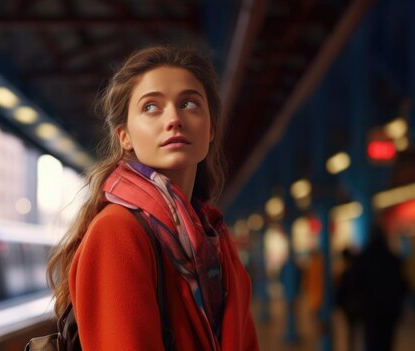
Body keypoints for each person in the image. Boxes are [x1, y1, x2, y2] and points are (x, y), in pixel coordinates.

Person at [47, 46, 259, 350]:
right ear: (125, 136)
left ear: (211, 128)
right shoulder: (117, 232)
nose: (174, 118)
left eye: (189, 103)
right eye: (151, 107)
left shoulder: (215, 237)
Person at [350, 224, 406, 351]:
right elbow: (402, 284)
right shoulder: (392, 259)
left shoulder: (363, 258)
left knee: (372, 341)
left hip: (370, 310)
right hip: (389, 309)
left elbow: (354, 283)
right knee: (387, 341)